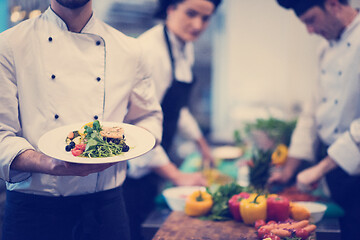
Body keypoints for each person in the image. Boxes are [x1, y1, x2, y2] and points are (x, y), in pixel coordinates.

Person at [0, 0, 163, 239]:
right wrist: (50, 164)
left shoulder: (130, 50)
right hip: (33, 211)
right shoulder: (9, 45)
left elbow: (148, 117)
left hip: (105, 210)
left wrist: (128, 148)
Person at [122, 0, 222, 239]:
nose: (198, 24)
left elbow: (177, 108)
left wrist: (203, 146)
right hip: (132, 167)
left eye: (206, 18)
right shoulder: (151, 52)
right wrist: (178, 176)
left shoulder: (183, 45)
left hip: (155, 161)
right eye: (191, 13)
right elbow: (140, 123)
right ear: (170, 9)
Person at [268, 0, 360, 239]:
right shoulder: (325, 49)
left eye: (311, 20)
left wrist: (319, 169)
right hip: (337, 171)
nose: (309, 31)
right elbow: (312, 112)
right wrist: (289, 170)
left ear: (332, 5)